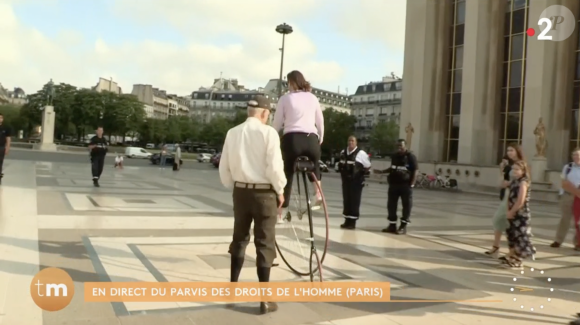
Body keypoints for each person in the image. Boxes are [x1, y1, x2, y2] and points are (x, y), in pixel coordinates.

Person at [219, 95, 287, 315]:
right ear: (265, 113)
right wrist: (280, 189)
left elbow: (224, 167)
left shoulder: (232, 133)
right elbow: (274, 167)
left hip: (241, 191)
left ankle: (232, 288)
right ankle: (264, 299)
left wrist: (236, 186)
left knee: (239, 238)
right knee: (265, 242)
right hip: (264, 193)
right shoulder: (269, 133)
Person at [272, 70, 324, 220]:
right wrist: (320, 138)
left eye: (288, 83)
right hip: (311, 140)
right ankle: (318, 193)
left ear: (292, 82)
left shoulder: (285, 98)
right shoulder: (313, 98)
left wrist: (274, 137)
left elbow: (277, 123)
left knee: (287, 172)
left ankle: (281, 210)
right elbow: (320, 121)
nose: (288, 86)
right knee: (314, 164)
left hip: (292, 139)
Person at [486, 143, 525, 258]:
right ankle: (497, 246)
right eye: (508, 150)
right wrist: (502, 170)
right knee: (500, 220)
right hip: (507, 195)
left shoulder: (521, 164)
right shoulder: (509, 165)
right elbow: (501, 183)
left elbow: (524, 180)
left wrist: (509, 184)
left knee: (506, 221)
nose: (509, 153)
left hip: (515, 195)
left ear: (517, 151)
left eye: (511, 150)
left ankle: (511, 251)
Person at [381, 139, 417, 234]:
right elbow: (392, 167)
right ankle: (392, 225)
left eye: (401, 146)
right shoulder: (394, 156)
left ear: (405, 146)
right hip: (394, 184)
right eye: (397, 146)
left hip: (405, 185)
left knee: (406, 205)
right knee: (391, 205)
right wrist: (382, 171)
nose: (399, 148)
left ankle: (403, 226)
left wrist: (412, 184)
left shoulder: (410, 156)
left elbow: (415, 170)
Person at [504, 160, 535, 268]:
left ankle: (518, 258)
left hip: (521, 214)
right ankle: (512, 255)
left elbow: (520, 200)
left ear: (523, 171)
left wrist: (512, 211)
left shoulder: (523, 182)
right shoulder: (514, 181)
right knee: (511, 234)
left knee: (520, 236)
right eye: (513, 169)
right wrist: (508, 210)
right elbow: (509, 196)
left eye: (517, 169)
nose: (514, 171)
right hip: (512, 212)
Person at [338, 136, 371, 230]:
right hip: (346, 181)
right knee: (346, 200)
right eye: (349, 140)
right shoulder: (343, 152)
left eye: (352, 141)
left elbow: (368, 166)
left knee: (354, 201)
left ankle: (352, 222)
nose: (350, 142)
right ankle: (346, 220)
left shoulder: (361, 153)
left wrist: (360, 174)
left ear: (356, 143)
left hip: (356, 182)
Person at [552, 147, 580, 251]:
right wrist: (574, 191)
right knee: (565, 219)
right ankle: (558, 240)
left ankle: (578, 242)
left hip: (579, 198)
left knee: (578, 221)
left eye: (578, 155)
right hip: (568, 196)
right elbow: (563, 183)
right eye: (574, 155)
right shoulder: (568, 167)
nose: (576, 157)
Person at [0, 113, 11, 185]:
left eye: (1, 118)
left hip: (1, 147)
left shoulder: (5, 128)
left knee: (0, 161)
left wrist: (8, 147)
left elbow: (8, 138)